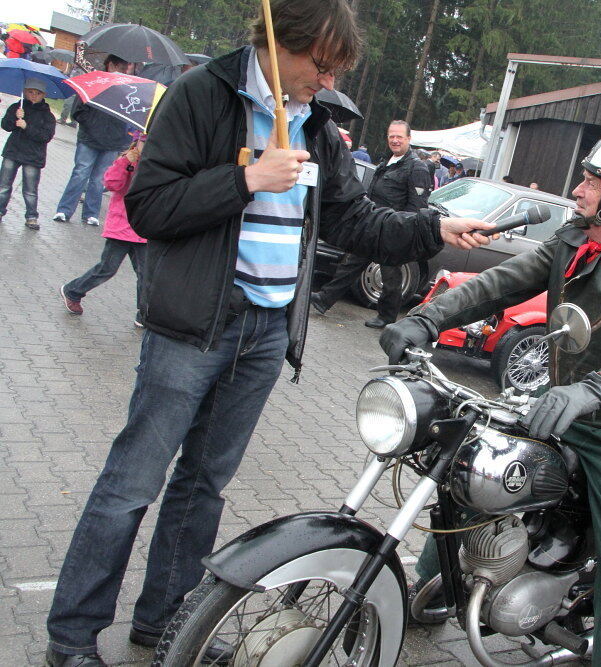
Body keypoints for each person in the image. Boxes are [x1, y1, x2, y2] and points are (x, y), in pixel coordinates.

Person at [43, 1, 493, 664]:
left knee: (204, 486)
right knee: (132, 481)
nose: (327, 78)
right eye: (320, 63)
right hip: (193, 326)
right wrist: (245, 179)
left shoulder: (317, 124)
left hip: (264, 332)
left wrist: (433, 228)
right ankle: (73, 634)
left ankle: (165, 617)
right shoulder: (202, 96)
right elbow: (149, 206)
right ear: (280, 41)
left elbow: (355, 221)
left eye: (338, 68)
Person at [381, 129, 601, 666]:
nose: (579, 189)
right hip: (557, 402)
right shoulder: (574, 239)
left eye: (593, 182)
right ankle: (434, 592)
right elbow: (503, 281)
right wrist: (427, 318)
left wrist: (594, 389)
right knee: (466, 468)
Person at [310, 119, 434, 327]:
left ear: (409, 139)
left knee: (391, 275)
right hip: (373, 225)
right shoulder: (387, 162)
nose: (394, 141)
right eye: (391, 136)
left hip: (393, 229)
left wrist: (404, 230)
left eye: (399, 137)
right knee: (351, 263)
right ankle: (324, 299)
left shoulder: (417, 168)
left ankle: (387, 317)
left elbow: (417, 205)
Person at [60, 133, 148, 325]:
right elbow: (111, 184)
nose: (147, 145)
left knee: (146, 273)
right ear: (136, 142)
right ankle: (73, 290)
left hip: (144, 229)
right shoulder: (126, 160)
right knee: (107, 268)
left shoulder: (157, 164)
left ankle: (144, 313)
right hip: (122, 227)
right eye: (144, 141)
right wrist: (126, 163)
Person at [52, 55, 132, 226]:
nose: (124, 71)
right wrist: (94, 126)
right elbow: (78, 111)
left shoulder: (127, 88)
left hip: (112, 141)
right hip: (89, 138)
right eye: (121, 67)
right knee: (80, 173)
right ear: (110, 65)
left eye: (126, 68)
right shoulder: (93, 82)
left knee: (99, 179)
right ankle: (64, 210)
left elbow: (129, 113)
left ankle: (91, 213)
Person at [0, 78, 55, 230]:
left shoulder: (47, 115)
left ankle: (31, 216)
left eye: (37, 93)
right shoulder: (17, 107)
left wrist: (26, 126)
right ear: (25, 92)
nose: (33, 96)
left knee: (30, 189)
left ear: (43, 95)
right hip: (13, 151)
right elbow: (5, 126)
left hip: (33, 156)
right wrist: (14, 117)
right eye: (30, 92)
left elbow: (45, 136)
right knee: (3, 185)